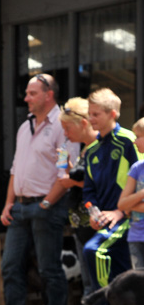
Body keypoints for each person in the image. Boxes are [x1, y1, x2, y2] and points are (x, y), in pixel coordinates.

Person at [0, 74, 75, 305]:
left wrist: (47, 202)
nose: (26, 98)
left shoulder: (62, 125)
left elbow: (66, 169)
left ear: (48, 95)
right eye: (26, 93)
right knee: (10, 264)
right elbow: (16, 168)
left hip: (46, 205)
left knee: (49, 267)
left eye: (31, 93)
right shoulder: (25, 127)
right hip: (21, 206)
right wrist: (8, 203)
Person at [80, 88, 142, 305]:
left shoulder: (129, 141)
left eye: (96, 114)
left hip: (130, 218)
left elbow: (141, 179)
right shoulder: (91, 150)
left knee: (94, 250)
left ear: (113, 114)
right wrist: (93, 213)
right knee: (117, 267)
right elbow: (88, 191)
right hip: (105, 221)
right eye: (89, 114)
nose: (91, 119)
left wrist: (119, 211)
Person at [57, 98, 99, 263]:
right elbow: (79, 178)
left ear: (83, 123)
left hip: (93, 223)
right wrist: (68, 166)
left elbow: (98, 184)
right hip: (81, 224)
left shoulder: (98, 147)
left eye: (68, 128)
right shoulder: (85, 149)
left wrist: (72, 182)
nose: (66, 134)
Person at [116, 117, 144, 270]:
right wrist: (141, 195)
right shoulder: (136, 168)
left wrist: (131, 204)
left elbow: (127, 204)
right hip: (135, 237)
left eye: (138, 137)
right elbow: (121, 204)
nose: (134, 142)